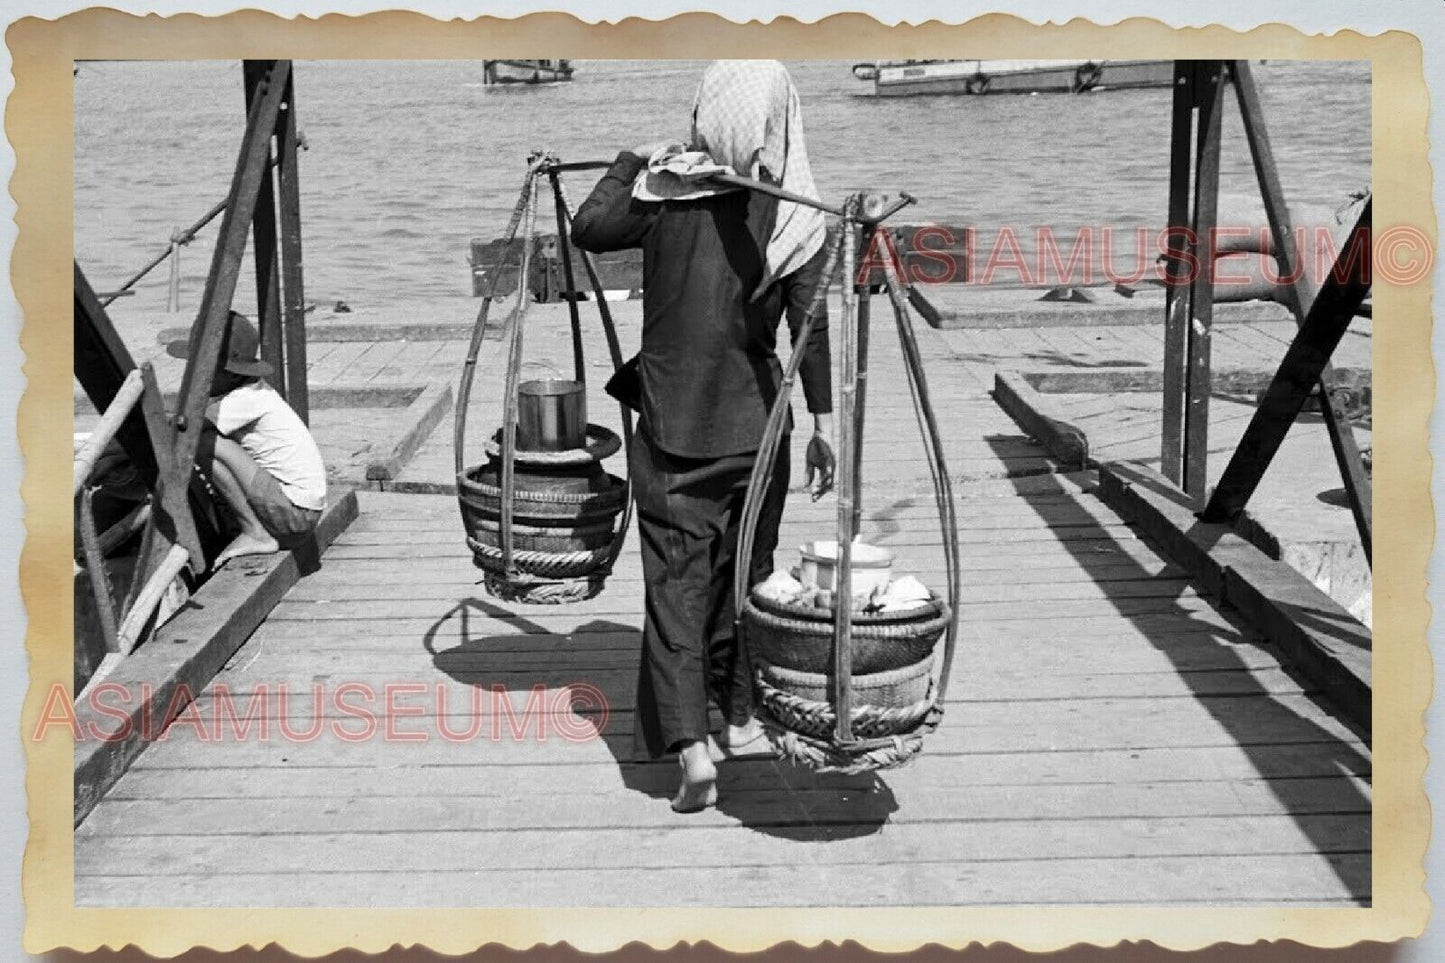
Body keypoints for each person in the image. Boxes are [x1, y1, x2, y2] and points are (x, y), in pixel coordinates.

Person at [571, 60, 836, 813]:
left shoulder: (662, 193)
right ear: (778, 121)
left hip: (671, 421)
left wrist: (634, 160)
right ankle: (741, 709)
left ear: (704, 114)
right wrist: (821, 424)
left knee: (676, 586)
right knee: (748, 567)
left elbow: (588, 227)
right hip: (755, 430)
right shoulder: (795, 212)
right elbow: (809, 331)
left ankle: (690, 746)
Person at [166, 311, 327, 569]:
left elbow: (186, 428)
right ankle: (249, 527)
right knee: (203, 440)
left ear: (231, 374)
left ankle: (255, 532)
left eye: (206, 370)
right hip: (297, 512)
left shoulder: (246, 399)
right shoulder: (252, 391)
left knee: (201, 442)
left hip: (294, 515)